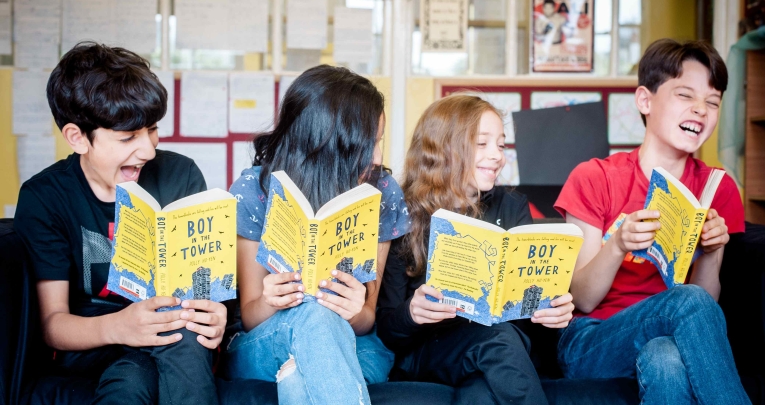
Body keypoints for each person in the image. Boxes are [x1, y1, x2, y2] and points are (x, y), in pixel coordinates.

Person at [14, 42, 226, 405]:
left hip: (171, 332)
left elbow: (199, 285)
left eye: (153, 130)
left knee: (168, 342)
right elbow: (53, 324)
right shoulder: (45, 197)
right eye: (128, 138)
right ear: (77, 137)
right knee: (136, 369)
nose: (147, 150)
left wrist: (215, 312)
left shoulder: (179, 174)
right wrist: (121, 326)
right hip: (96, 341)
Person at [554, 38, 751, 404]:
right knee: (684, 301)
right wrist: (618, 244)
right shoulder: (595, 177)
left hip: (673, 338)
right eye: (685, 95)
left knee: (665, 358)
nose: (700, 110)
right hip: (593, 340)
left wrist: (712, 251)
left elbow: (706, 307)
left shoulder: (716, 187)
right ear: (645, 100)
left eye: (712, 102)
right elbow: (581, 298)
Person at [222, 65, 410, 404]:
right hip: (267, 339)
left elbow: (367, 319)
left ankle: (297, 372)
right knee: (314, 317)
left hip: (354, 340)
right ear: (328, 147)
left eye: (379, 142)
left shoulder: (381, 191)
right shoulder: (255, 190)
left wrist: (354, 310)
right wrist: (269, 300)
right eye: (368, 145)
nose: (378, 157)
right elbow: (250, 317)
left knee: (300, 377)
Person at [376, 94, 575, 405]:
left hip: (502, 350)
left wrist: (551, 311)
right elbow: (388, 329)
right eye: (482, 144)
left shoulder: (512, 206)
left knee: (483, 391)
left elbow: (529, 318)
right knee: (498, 340)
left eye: (501, 144)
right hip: (432, 349)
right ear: (443, 148)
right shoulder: (404, 212)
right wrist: (413, 313)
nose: (496, 155)